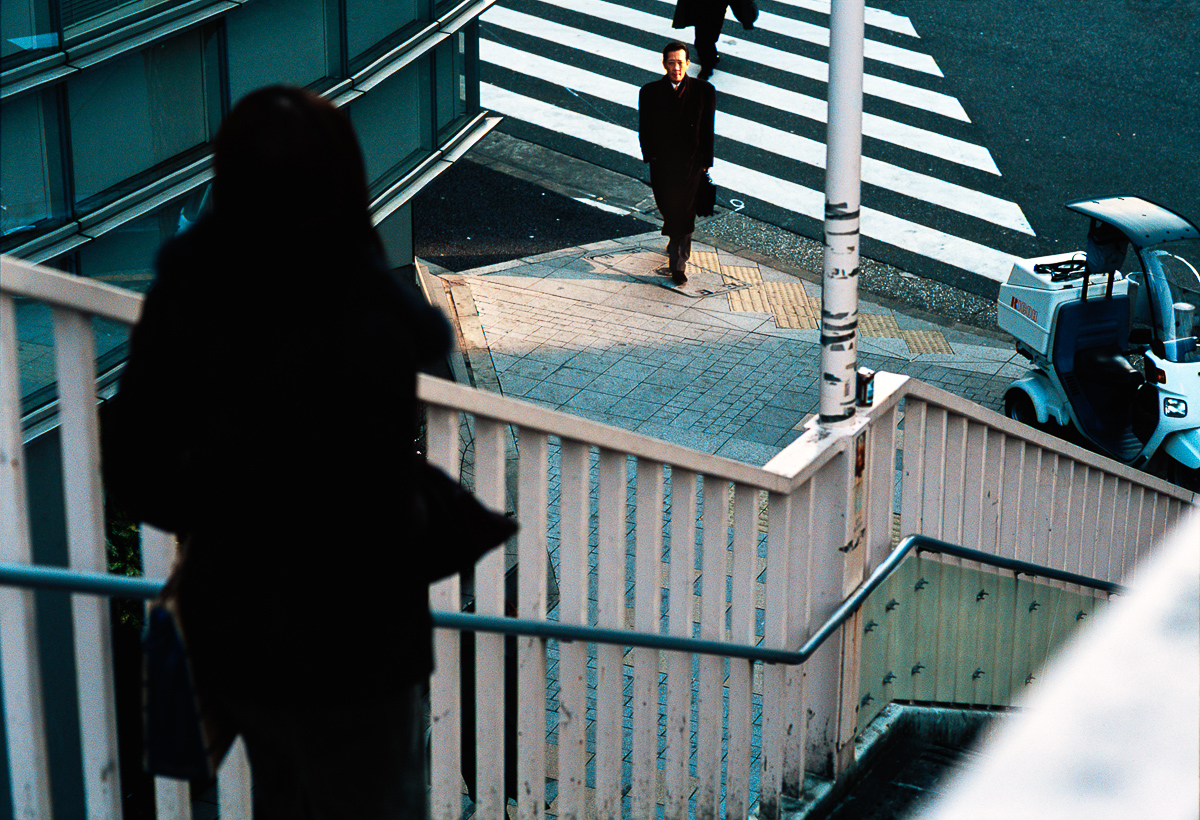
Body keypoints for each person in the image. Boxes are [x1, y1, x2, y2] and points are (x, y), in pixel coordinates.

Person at [104, 85, 456, 819]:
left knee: (282, 793)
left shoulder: (189, 292)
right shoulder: (364, 307)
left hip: (240, 629)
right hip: (360, 641)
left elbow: (137, 464)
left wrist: (223, 508)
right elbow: (423, 369)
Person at [638, 42, 716, 285]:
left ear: (688, 64)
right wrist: (650, 154)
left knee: (685, 210)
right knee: (668, 206)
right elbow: (645, 127)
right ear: (664, 64)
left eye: (681, 62)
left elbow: (708, 127)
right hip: (663, 162)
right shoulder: (650, 91)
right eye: (671, 62)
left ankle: (678, 263)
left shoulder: (704, 91)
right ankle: (674, 237)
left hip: (692, 161)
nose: (676, 67)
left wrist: (706, 162)